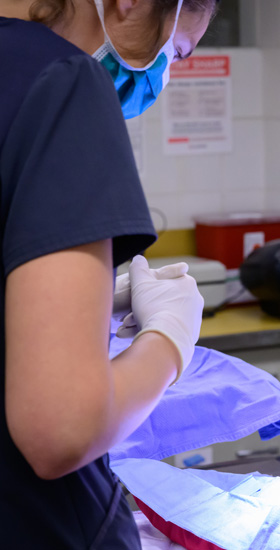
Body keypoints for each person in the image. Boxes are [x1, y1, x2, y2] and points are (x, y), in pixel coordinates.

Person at [1, 0, 216, 547]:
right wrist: (169, 339)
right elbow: (61, 432)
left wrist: (63, 311)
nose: (162, 75)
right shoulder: (58, 82)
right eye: (174, 52)